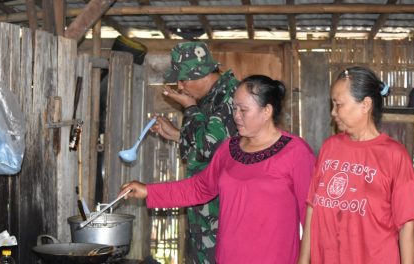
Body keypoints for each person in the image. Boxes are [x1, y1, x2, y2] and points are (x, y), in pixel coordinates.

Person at [120, 75, 316, 263]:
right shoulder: (229, 149)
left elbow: (312, 215)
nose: (236, 116)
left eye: (243, 110)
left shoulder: (295, 152)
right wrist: (148, 190)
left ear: (266, 111)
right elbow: (199, 188)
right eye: (234, 108)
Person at [298, 66, 414, 264]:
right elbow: (312, 209)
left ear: (365, 104)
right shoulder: (329, 148)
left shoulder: (393, 155)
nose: (333, 112)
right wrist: (303, 261)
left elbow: (406, 224)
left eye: (338, 104)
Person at [151, 41, 239, 263]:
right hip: (206, 211)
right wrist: (176, 134)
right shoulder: (210, 98)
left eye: (182, 80)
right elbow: (209, 143)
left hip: (222, 213)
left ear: (199, 74)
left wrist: (190, 108)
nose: (180, 87)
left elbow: (208, 149)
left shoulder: (229, 98)